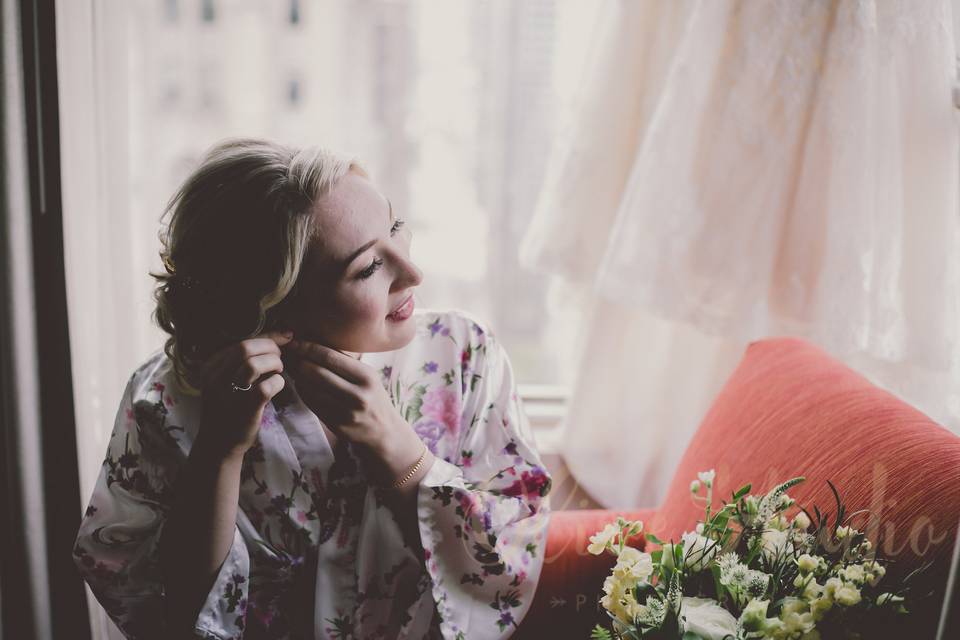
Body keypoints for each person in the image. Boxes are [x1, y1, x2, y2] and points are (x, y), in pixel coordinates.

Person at [72, 138, 553, 639]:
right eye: (368, 268)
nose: (412, 272)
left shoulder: (462, 355)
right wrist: (219, 452)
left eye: (395, 227)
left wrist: (402, 453)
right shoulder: (167, 400)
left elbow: (507, 558)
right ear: (274, 307)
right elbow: (162, 610)